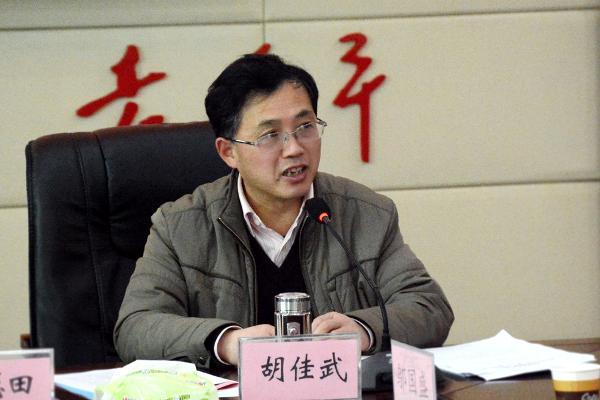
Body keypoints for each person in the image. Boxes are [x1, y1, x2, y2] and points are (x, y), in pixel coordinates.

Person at [114, 54, 453, 368]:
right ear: (228, 152)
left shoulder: (367, 213)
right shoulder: (179, 226)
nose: (294, 149)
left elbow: (429, 307)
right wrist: (225, 342)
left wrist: (364, 330)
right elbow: (135, 327)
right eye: (270, 135)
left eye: (305, 127)